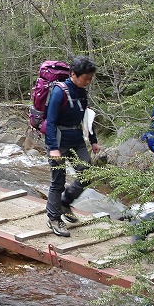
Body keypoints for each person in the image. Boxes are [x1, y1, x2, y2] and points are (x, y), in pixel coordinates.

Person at [45, 56, 100, 237]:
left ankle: (65, 201)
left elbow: (86, 117)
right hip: (59, 141)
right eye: (86, 78)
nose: (88, 81)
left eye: (90, 78)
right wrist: (53, 147)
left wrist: (93, 140)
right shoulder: (59, 91)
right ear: (73, 74)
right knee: (58, 181)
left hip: (77, 140)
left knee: (88, 173)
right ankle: (54, 218)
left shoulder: (82, 92)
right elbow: (50, 122)